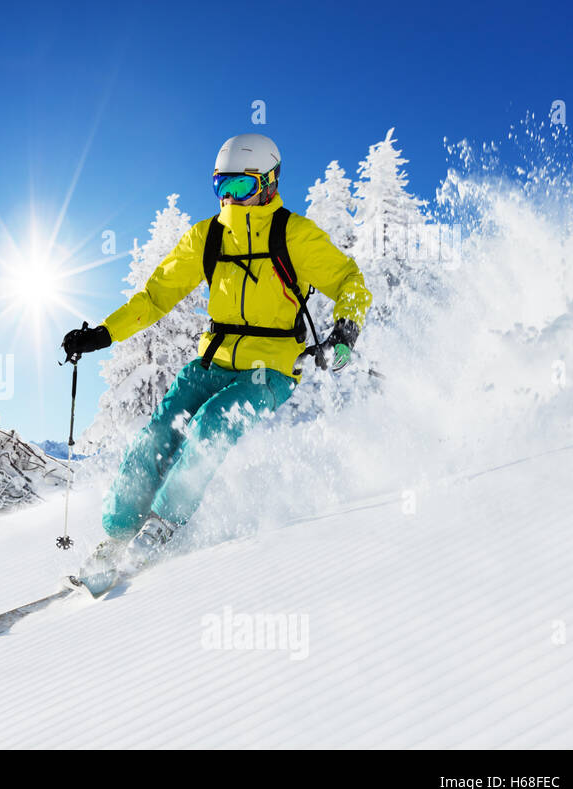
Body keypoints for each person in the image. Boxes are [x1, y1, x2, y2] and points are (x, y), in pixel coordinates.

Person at [62, 133, 372, 569]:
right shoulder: (206, 237)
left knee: (212, 423)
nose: (228, 197)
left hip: (271, 369)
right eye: (220, 186)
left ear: (267, 183)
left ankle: (162, 526)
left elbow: (349, 282)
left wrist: (346, 331)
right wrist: (103, 334)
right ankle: (116, 536)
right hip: (211, 362)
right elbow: (155, 297)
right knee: (156, 434)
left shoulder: (294, 235)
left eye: (240, 187)